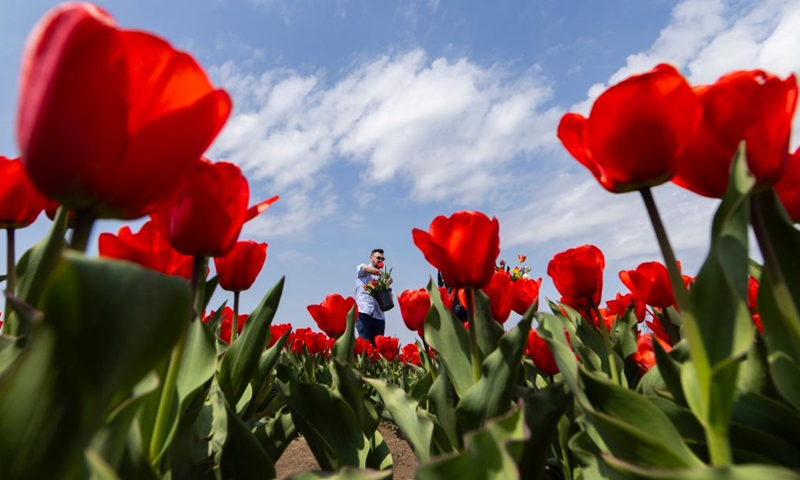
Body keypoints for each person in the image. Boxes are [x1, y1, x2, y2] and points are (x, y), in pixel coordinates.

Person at [355, 248, 392, 345]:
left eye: (383, 259)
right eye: (378, 258)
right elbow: (367, 269)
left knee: (378, 348)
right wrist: (383, 274)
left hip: (379, 315)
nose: (380, 260)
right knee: (365, 346)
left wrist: (388, 285)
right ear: (371, 258)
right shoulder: (363, 268)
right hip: (364, 313)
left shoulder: (383, 278)